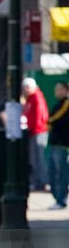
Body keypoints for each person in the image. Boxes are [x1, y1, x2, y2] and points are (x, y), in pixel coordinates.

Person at [22, 77, 49, 191]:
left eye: (27, 88)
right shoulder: (30, 99)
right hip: (32, 131)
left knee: (40, 158)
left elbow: (39, 116)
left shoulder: (37, 98)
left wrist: (34, 128)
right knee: (34, 159)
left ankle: (43, 182)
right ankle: (37, 181)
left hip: (38, 132)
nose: (26, 90)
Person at [46, 81, 69, 210]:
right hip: (54, 143)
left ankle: (61, 200)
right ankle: (57, 198)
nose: (57, 92)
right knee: (53, 172)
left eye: (60, 89)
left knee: (61, 173)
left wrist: (49, 122)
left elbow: (54, 119)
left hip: (62, 144)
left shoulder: (66, 104)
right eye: (56, 89)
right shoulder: (57, 105)